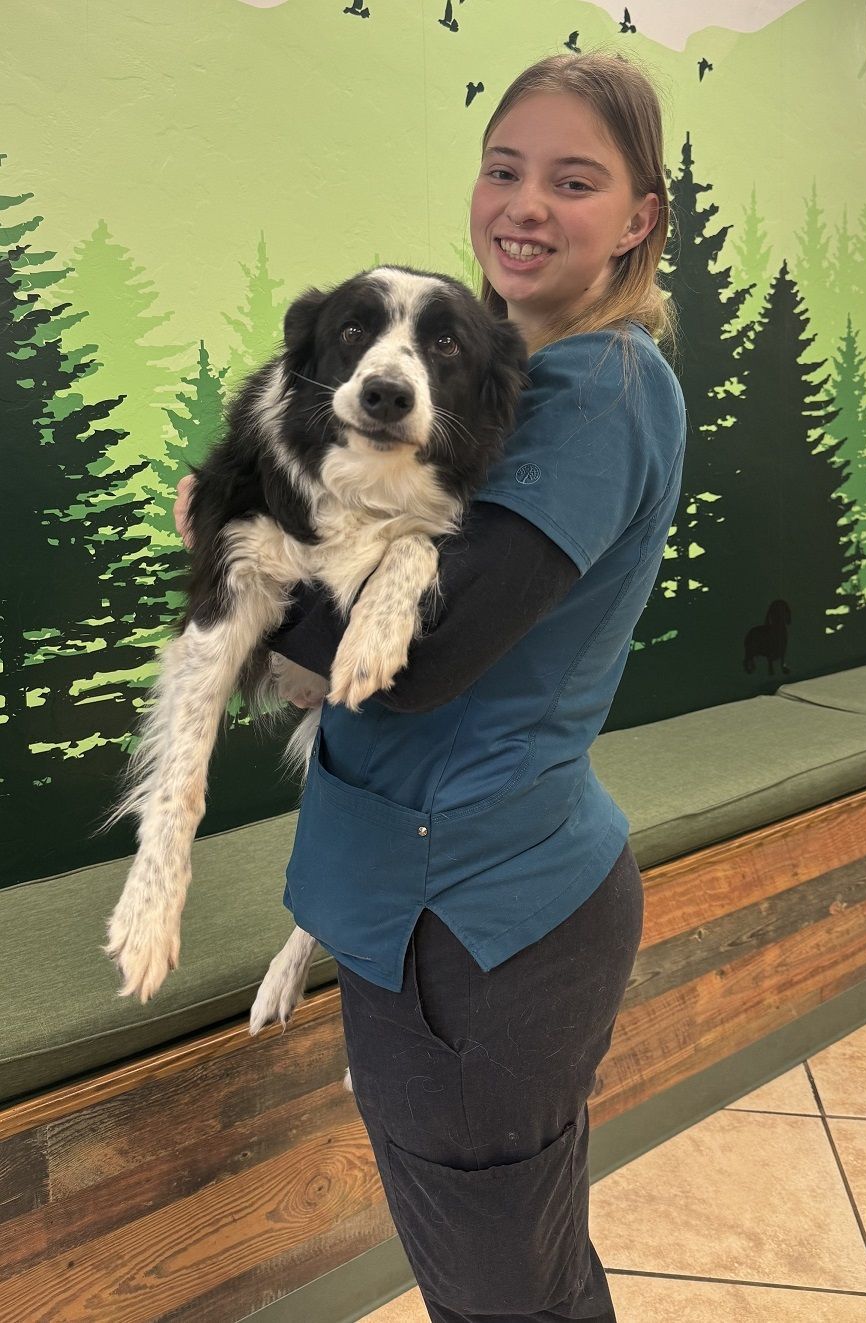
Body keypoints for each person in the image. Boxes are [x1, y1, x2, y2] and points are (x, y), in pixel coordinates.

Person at [175, 50, 685, 1323]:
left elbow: (423, 658)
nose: (523, 204)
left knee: (496, 1290)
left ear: (637, 222)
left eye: (573, 181)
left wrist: (225, 540)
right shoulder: (504, 383)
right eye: (502, 168)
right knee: (532, 1270)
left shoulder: (597, 391)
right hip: (461, 897)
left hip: (472, 922)